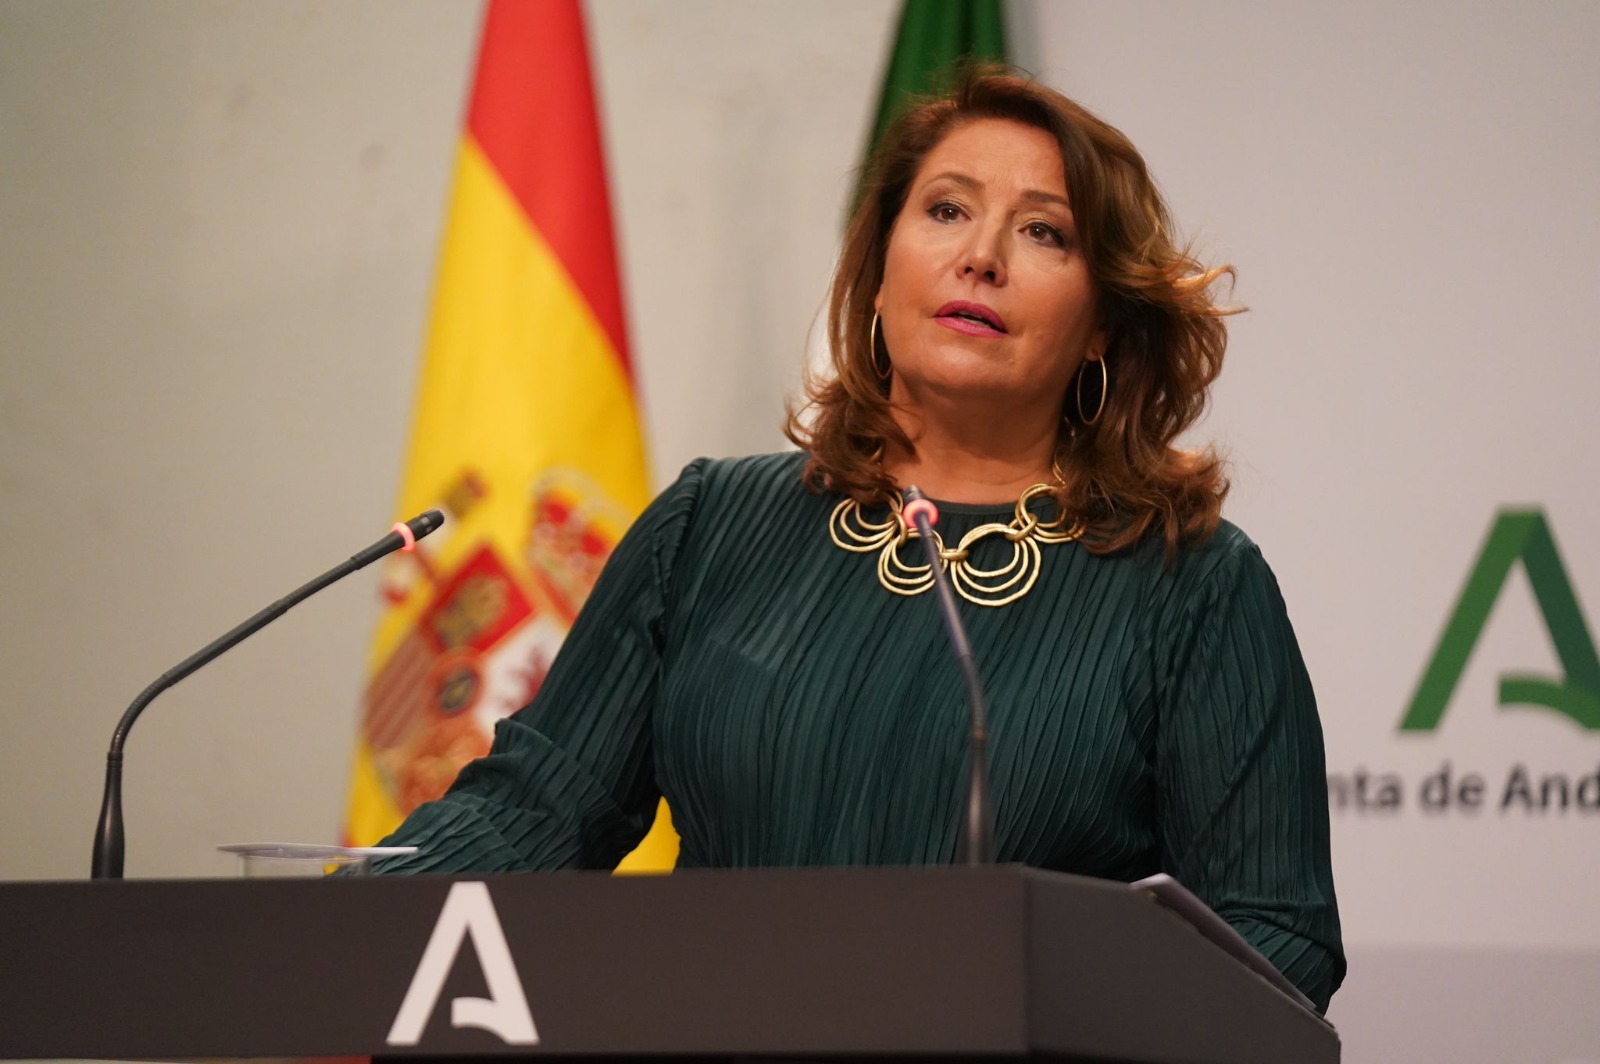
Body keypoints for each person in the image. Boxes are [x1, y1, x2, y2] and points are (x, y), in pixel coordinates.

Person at [372, 68, 1345, 1011]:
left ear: (1102, 324)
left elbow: (1273, 933)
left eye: (1044, 231)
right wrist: (336, 921)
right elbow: (538, 806)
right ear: (879, 272)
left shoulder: (1190, 584)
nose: (981, 256)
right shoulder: (710, 526)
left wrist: (1056, 1013)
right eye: (946, 210)